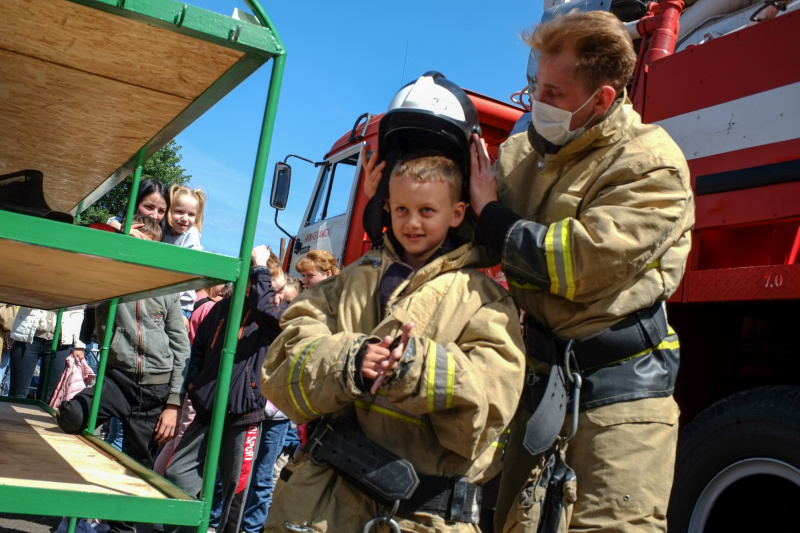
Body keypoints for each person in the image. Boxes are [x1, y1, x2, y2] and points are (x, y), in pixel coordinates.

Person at [261, 73, 526, 533]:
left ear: (459, 210)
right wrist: (349, 360)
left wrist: (416, 370)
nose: (413, 223)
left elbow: (489, 414)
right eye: (402, 209)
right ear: (385, 199)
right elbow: (280, 367)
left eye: (428, 211)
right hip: (318, 511)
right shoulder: (347, 284)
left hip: (421, 517)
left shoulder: (484, 300)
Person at [468, 11, 695, 532]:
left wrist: (490, 214)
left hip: (623, 402)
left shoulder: (651, 164)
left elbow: (577, 262)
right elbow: (468, 237)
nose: (537, 104)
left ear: (603, 100)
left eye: (554, 92)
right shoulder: (523, 155)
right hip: (542, 389)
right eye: (533, 87)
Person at [57, 215, 191, 533]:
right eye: (131, 243)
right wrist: (118, 234)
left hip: (156, 390)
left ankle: (121, 526)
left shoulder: (166, 289)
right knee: (72, 414)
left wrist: (173, 403)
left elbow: (181, 349)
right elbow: (87, 250)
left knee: (139, 462)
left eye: (144, 246)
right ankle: (77, 504)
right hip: (118, 378)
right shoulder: (108, 277)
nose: (136, 251)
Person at [164, 246, 286, 533]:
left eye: (274, 287)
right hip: (209, 408)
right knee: (177, 472)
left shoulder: (273, 314)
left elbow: (269, 312)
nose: (274, 294)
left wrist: (259, 270)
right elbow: (200, 348)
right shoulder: (222, 308)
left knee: (236, 488)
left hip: (244, 412)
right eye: (269, 286)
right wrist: (195, 385)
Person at [8, 306, 85, 401]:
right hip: (27, 338)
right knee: (17, 394)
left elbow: (77, 313)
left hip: (60, 342)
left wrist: (79, 345)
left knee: (49, 398)